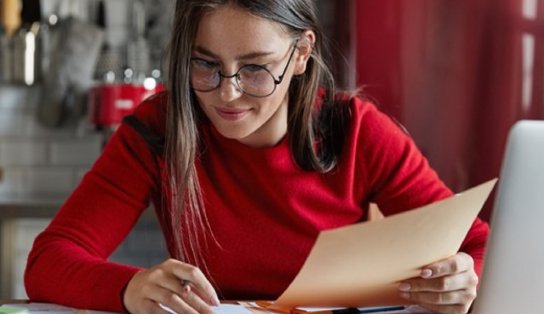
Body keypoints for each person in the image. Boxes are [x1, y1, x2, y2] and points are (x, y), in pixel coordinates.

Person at [24, 1, 489, 314]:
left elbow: (479, 244)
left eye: (254, 68)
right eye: (205, 64)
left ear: (302, 53)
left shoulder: (359, 132)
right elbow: (48, 262)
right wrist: (129, 289)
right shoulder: (160, 128)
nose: (227, 92)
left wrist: (464, 278)